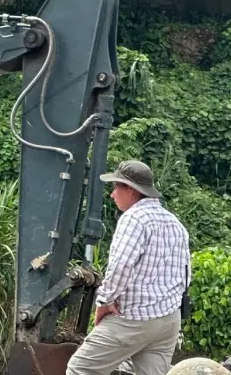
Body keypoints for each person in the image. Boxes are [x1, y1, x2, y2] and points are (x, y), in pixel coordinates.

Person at [65, 160, 190, 375]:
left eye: (116, 188)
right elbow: (185, 275)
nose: (112, 195)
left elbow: (120, 267)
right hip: (169, 321)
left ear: (130, 190)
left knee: (80, 369)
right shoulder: (175, 223)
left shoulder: (134, 218)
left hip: (135, 318)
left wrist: (104, 302)